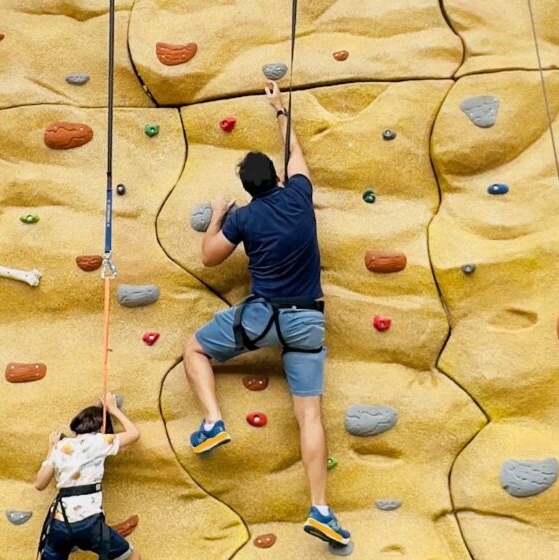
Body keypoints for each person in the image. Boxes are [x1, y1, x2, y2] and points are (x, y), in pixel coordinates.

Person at [182, 80, 351, 547]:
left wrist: (218, 215)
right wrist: (279, 108)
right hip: (307, 323)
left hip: (260, 318)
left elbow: (209, 258)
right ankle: (320, 509)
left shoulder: (244, 217)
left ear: (246, 190)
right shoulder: (298, 195)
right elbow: (294, 150)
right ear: (276, 178)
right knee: (309, 416)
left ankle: (213, 422)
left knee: (194, 348)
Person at [34, 395, 142, 560]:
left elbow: (40, 484)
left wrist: (52, 447)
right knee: (132, 556)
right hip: (88, 523)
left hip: (60, 523)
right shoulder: (99, 441)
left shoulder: (62, 445)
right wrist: (113, 409)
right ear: (101, 428)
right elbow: (134, 433)